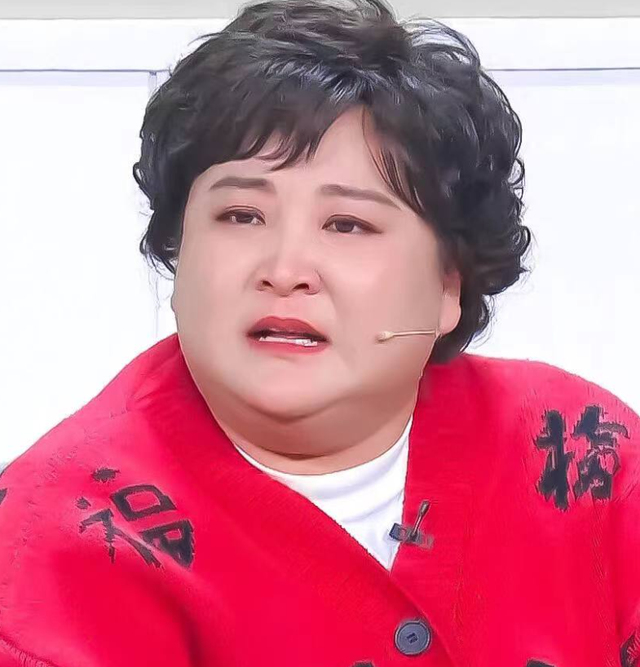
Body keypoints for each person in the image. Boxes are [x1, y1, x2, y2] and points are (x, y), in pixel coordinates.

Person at [0, 0, 638, 665]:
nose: (284, 271)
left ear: (450, 283)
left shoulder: (583, 452)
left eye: (347, 225)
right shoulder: (57, 538)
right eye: (241, 216)